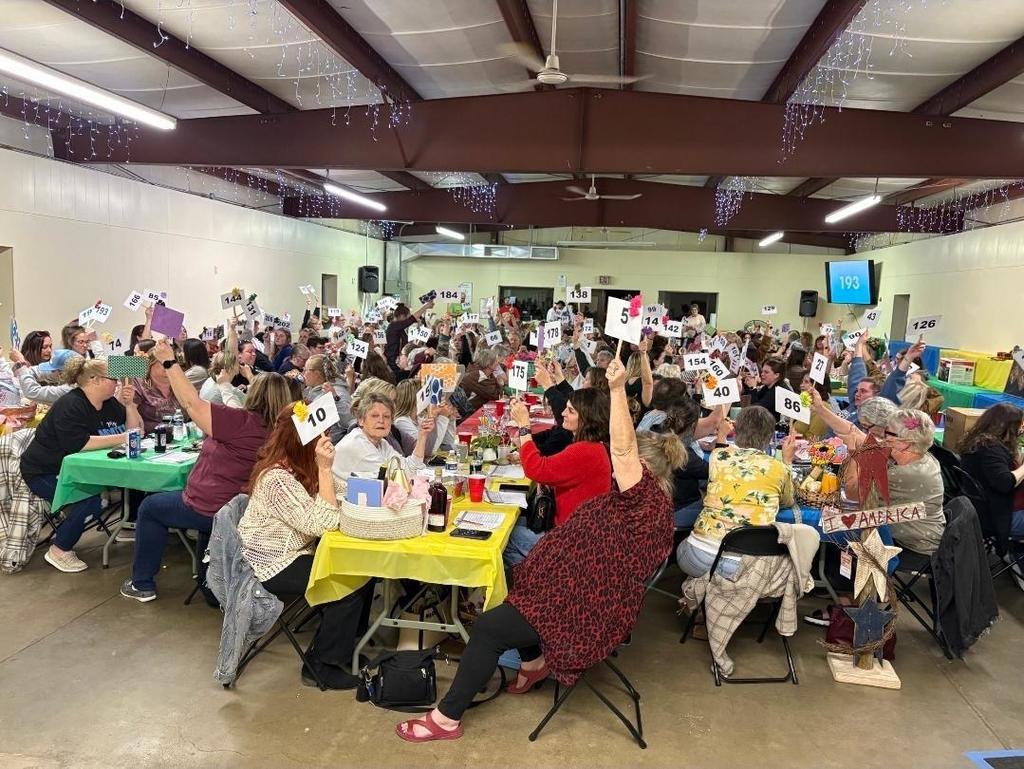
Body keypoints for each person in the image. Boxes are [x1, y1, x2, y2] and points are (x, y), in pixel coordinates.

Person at [394, 357, 684, 743]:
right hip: (575, 586)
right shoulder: (647, 504)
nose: (612, 462)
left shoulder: (642, 500)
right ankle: (532, 661)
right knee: (511, 576)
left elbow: (624, 449)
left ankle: (446, 718)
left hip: (584, 606)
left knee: (489, 628)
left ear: (646, 468)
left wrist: (617, 391)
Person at [120, 339, 292, 601]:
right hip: (243, 508)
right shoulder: (284, 431)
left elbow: (191, 403)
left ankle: (142, 582)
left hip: (212, 504)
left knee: (150, 508)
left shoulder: (240, 421)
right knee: (203, 525)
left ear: (254, 394)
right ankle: (210, 581)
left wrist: (169, 361)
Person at [238, 413, 371, 689]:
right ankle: (320, 665)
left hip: (299, 550)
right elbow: (321, 524)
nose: (328, 440)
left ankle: (344, 646)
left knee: (364, 570)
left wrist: (373, 492)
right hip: (272, 562)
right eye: (320, 435)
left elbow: (342, 490)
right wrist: (324, 470)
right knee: (344, 586)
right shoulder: (276, 479)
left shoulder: (302, 466)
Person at [20, 358, 143, 572]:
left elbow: (136, 432)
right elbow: (80, 443)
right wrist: (124, 438)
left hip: (82, 470)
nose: (117, 384)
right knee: (92, 501)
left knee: (100, 498)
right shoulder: (71, 404)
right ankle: (59, 549)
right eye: (113, 379)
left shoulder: (109, 404)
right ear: (94, 380)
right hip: (44, 471)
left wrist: (130, 405)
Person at [811, 392, 945, 555]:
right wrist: (820, 409)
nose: (883, 436)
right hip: (901, 523)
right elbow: (853, 431)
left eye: (888, 433)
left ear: (905, 443)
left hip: (912, 543)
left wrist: (855, 452)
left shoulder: (906, 473)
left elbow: (852, 492)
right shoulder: (915, 454)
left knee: (822, 522)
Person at [676, 406, 797, 578]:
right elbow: (788, 501)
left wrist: (722, 435)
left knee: (686, 551)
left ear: (737, 431)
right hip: (745, 565)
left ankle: (706, 589)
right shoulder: (779, 468)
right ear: (770, 436)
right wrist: (787, 461)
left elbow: (720, 449)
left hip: (696, 556)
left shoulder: (718, 456)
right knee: (788, 562)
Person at [503, 389, 612, 565]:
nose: (563, 413)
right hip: (579, 533)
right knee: (515, 522)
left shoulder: (586, 451)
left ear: (587, 418)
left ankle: (541, 582)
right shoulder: (593, 447)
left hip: (571, 543)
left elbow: (536, 468)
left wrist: (524, 426)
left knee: (505, 537)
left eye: (570, 411)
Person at [957, 403, 1024, 580]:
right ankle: (1016, 556)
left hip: (977, 510)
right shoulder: (991, 449)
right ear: (1009, 427)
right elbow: (1005, 482)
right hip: (993, 517)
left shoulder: (976, 440)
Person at [332, 393, 432, 479]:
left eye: (386, 416)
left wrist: (423, 435)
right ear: (361, 420)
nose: (381, 421)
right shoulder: (358, 444)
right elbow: (400, 478)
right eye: (374, 416)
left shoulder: (381, 442)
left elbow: (409, 469)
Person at [392, 379, 455, 456]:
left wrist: (450, 418)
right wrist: (443, 418)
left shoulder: (419, 418)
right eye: (426, 393)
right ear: (416, 397)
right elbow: (429, 450)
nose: (429, 396)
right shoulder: (401, 421)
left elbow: (447, 443)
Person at [132, 345, 185, 433]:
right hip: (150, 439)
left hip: (180, 435)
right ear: (150, 364)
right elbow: (129, 411)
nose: (169, 366)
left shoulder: (180, 382)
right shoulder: (140, 383)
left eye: (172, 362)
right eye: (163, 362)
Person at [384, 300, 434, 378]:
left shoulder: (398, 328)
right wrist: (426, 306)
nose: (408, 321)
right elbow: (412, 319)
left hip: (399, 361)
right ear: (401, 316)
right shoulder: (394, 326)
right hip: (393, 364)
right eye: (407, 317)